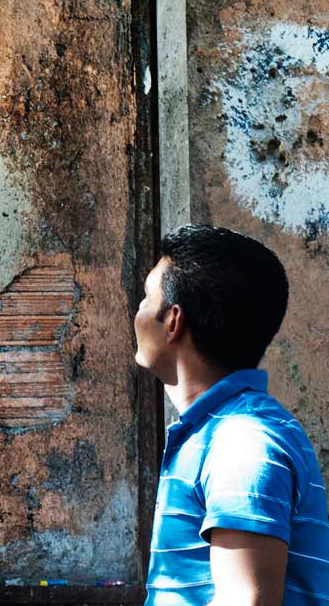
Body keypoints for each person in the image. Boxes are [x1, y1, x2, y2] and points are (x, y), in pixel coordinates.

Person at [136, 224, 329, 605]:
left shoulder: (241, 444)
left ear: (173, 321)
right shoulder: (224, 433)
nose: (138, 311)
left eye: (145, 298)